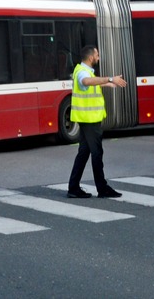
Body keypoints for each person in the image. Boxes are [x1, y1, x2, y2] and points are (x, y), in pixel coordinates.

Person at [67, 46, 128, 199]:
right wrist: (109, 79)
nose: (99, 58)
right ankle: (102, 188)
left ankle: (73, 188)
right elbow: (86, 82)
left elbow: (89, 84)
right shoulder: (82, 72)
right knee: (97, 153)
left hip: (87, 118)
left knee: (84, 153)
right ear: (90, 58)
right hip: (89, 119)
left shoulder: (82, 69)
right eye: (97, 55)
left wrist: (107, 84)